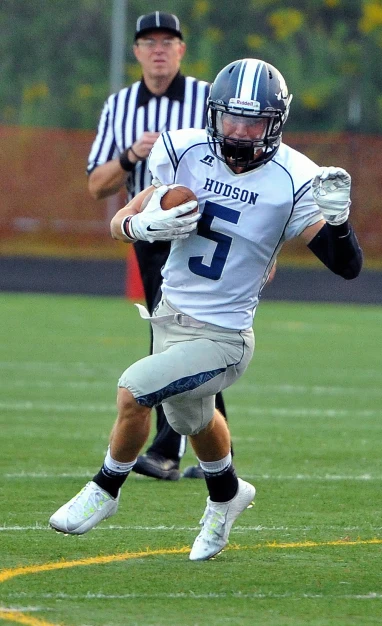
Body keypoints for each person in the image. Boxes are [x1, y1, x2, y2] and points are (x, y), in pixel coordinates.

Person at [50, 58, 363, 561]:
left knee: (134, 392)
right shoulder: (184, 148)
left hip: (224, 337)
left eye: (252, 122)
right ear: (213, 114)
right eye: (231, 119)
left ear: (275, 123)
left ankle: (104, 490)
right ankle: (227, 497)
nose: (239, 132)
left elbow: (346, 266)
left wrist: (339, 222)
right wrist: (137, 228)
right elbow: (122, 217)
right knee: (196, 420)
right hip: (170, 314)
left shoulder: (295, 177)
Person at [86, 11, 226, 481]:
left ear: (182, 49)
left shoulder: (209, 98)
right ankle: (194, 453)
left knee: (198, 336)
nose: (159, 48)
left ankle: (174, 450)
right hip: (149, 236)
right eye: (150, 41)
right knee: (178, 336)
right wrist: (132, 155)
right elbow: (97, 186)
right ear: (137, 51)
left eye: (169, 40)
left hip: (205, 232)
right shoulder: (120, 106)